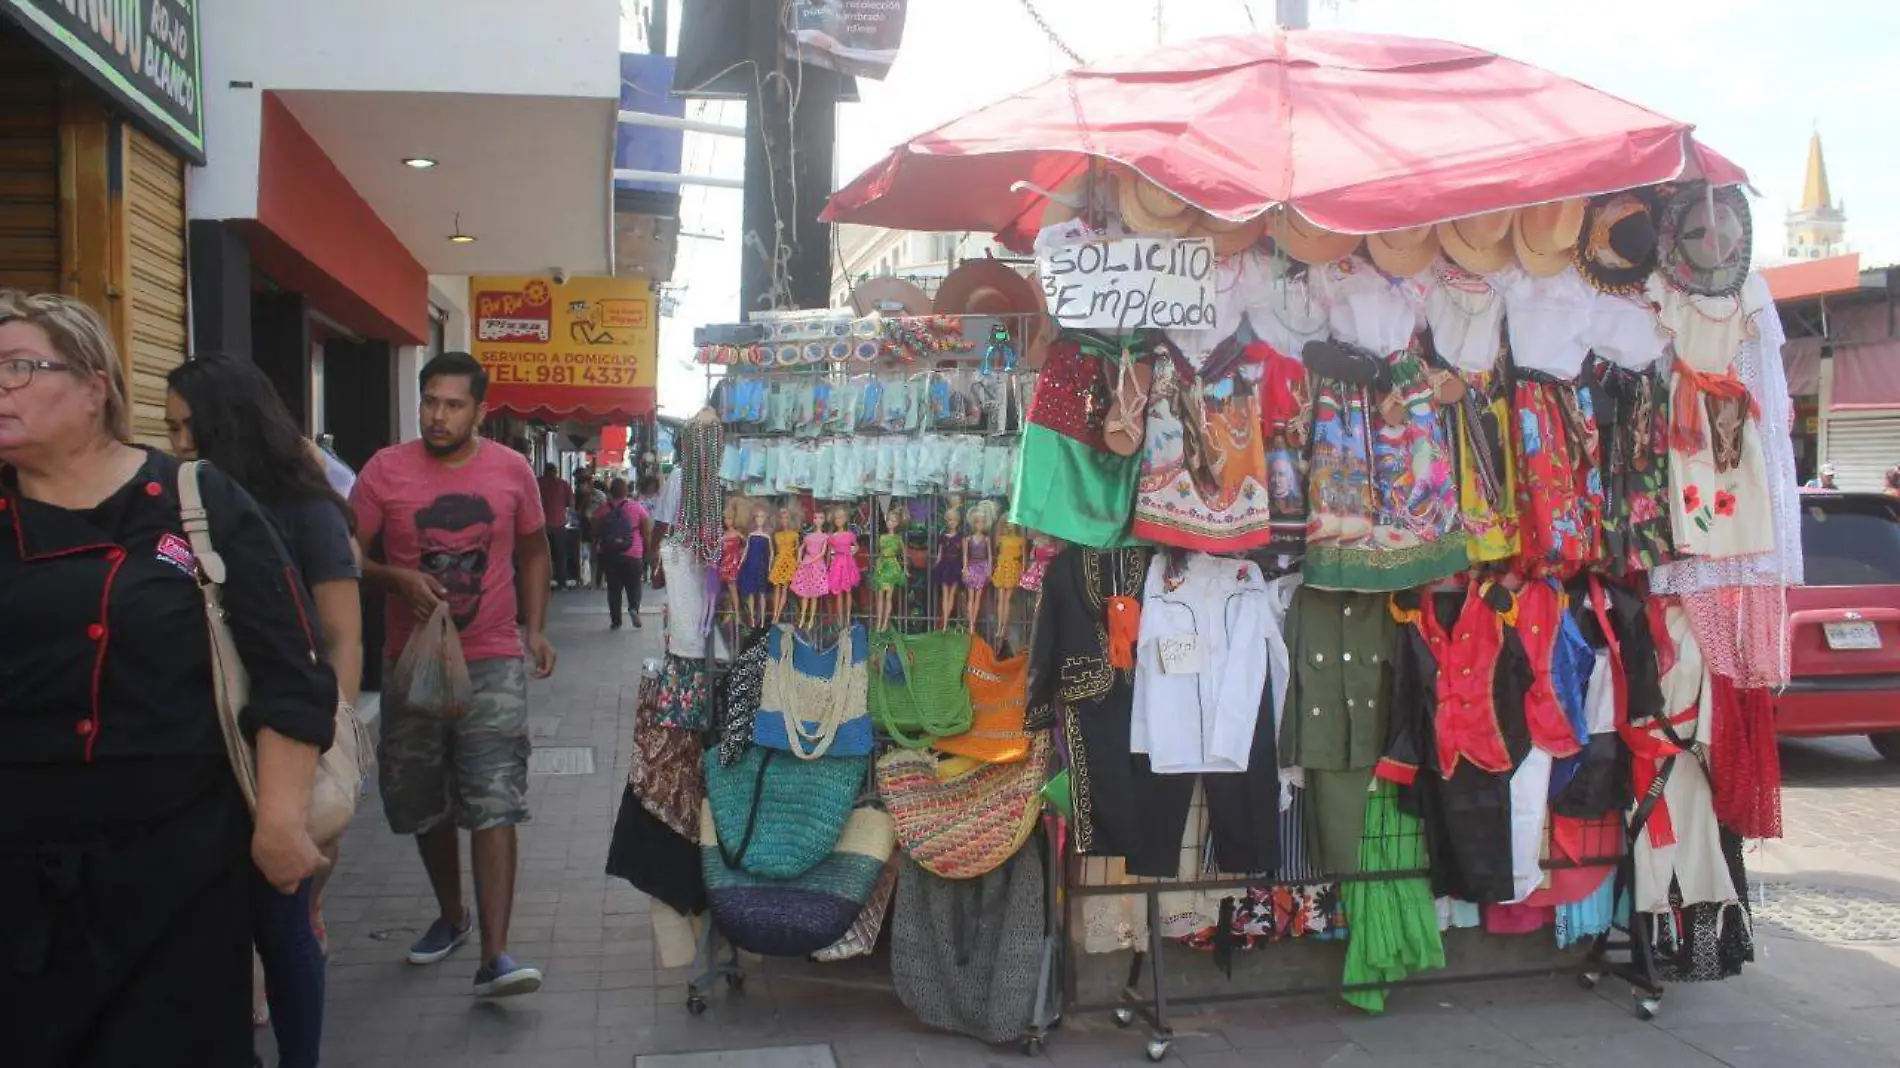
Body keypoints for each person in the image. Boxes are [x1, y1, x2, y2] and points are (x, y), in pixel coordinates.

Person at [0, 291, 335, 1066]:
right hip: (17, 868)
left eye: (21, 367)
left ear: (95, 388)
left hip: (177, 868)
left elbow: (293, 667)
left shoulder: (194, 501)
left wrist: (280, 820)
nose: (3, 387)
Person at [165, 357, 363, 1068]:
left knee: (286, 919)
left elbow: (340, 634)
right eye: (169, 428)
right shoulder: (172, 509)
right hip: (192, 743)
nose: (180, 444)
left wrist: (324, 745)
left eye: (190, 427)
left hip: (279, 740)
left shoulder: (305, 509)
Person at [350, 351, 557, 998]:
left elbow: (533, 550)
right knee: (421, 799)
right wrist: (393, 577)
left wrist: (536, 626)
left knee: (495, 798)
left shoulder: (511, 471)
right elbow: (345, 551)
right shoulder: (385, 471)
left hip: (492, 657)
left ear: (479, 410)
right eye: (430, 402)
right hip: (411, 662)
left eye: (453, 404)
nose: (438, 416)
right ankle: (453, 915)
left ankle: (496, 955)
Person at [593, 476, 652, 629]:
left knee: (614, 588)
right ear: (626, 491)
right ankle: (633, 608)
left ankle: (616, 620)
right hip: (633, 553)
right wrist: (648, 553)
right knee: (634, 585)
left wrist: (597, 550)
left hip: (611, 554)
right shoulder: (637, 508)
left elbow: (595, 532)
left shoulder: (603, 509)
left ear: (611, 492)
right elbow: (646, 533)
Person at [537, 462, 576, 590]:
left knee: (542, 554)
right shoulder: (563, 484)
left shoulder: (538, 482)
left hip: (541, 525)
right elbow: (570, 503)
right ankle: (561, 582)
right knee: (560, 555)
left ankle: (542, 581)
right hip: (559, 524)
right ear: (556, 471)